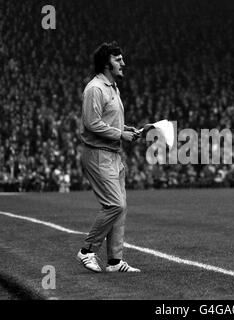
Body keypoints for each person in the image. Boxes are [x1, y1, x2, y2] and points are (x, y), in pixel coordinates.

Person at [76, 42, 141, 273]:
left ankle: (114, 261)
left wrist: (127, 129)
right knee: (115, 204)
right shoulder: (95, 88)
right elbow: (92, 123)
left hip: (113, 154)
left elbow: (108, 120)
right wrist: (120, 134)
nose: (123, 63)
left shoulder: (113, 87)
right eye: (118, 59)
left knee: (120, 209)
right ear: (106, 64)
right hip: (97, 154)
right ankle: (87, 250)